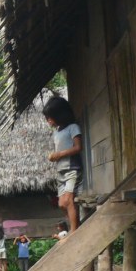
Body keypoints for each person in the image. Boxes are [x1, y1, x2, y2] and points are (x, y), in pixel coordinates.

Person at [43, 95, 83, 233]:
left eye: (50, 117)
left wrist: (59, 154)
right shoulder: (56, 132)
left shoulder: (73, 127)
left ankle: (73, 230)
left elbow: (78, 148)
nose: (48, 120)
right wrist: (54, 157)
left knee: (68, 200)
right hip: (61, 170)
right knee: (61, 204)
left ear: (60, 115)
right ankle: (74, 225)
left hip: (72, 169)